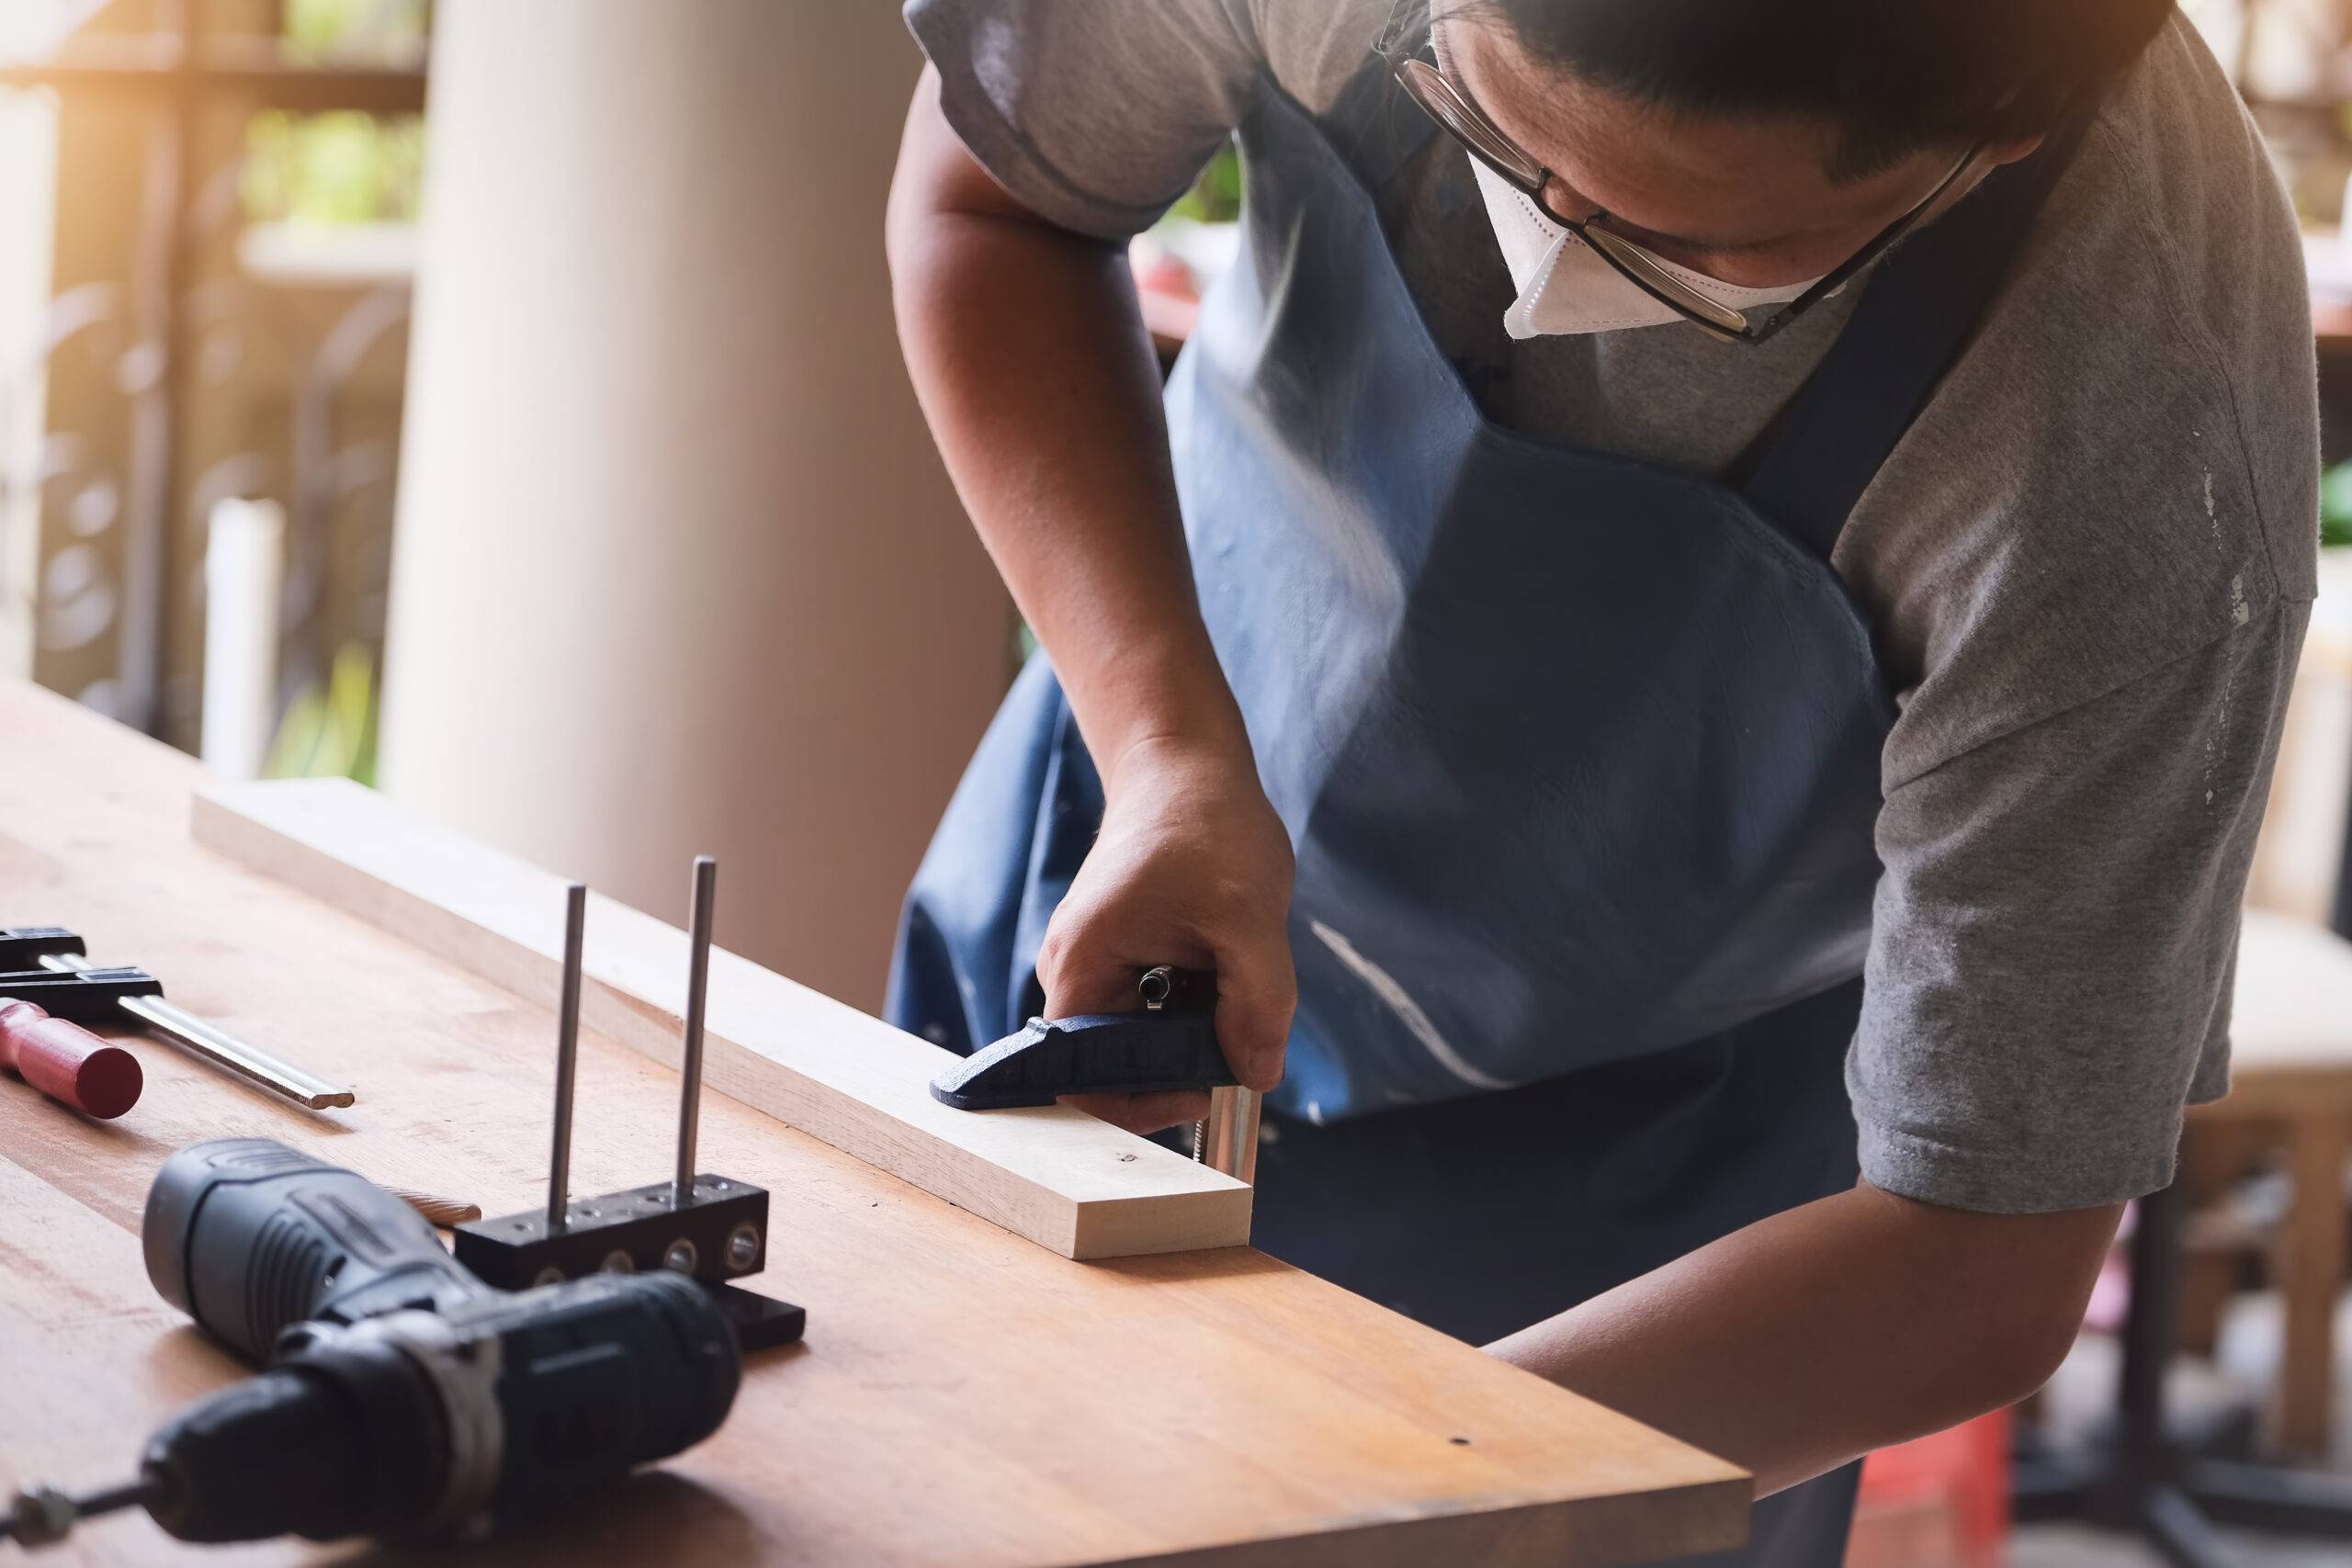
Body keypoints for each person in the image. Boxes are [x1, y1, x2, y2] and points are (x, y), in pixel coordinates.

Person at [881, 1, 2319, 1560]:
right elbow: (992, 206)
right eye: (1482, 125)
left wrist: (1376, 1498)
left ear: (1995, 142)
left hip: (1660, 1236)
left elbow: (1979, 1265)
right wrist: (1165, 750)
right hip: (1134, 868)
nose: (1541, 244)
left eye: (1683, 243)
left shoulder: (2127, 460)